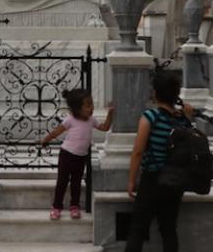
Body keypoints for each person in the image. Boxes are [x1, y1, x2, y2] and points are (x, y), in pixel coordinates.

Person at [125, 73, 194, 252]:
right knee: (169, 229)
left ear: (155, 94)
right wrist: (188, 117)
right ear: (176, 95)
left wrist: (132, 180)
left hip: (152, 178)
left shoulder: (150, 117)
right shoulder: (183, 120)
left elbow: (138, 151)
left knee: (138, 228)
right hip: (175, 180)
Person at [40, 89, 114, 220]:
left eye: (91, 104)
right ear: (77, 108)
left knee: (76, 183)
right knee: (62, 182)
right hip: (66, 155)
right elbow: (57, 131)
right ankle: (56, 206)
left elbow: (105, 127)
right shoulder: (70, 120)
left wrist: (110, 113)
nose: (91, 108)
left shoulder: (91, 120)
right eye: (87, 105)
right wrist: (45, 140)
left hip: (81, 158)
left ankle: (74, 206)